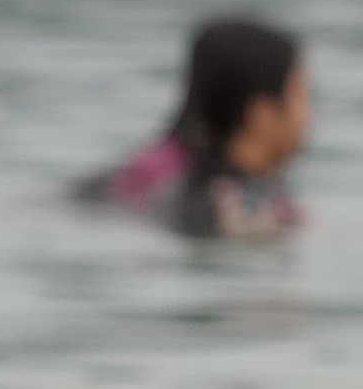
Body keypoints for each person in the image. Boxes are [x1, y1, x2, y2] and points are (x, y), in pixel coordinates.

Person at [84, 14, 310, 239]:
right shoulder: (245, 206)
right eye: (301, 95)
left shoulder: (126, 176)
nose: (306, 115)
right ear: (261, 114)